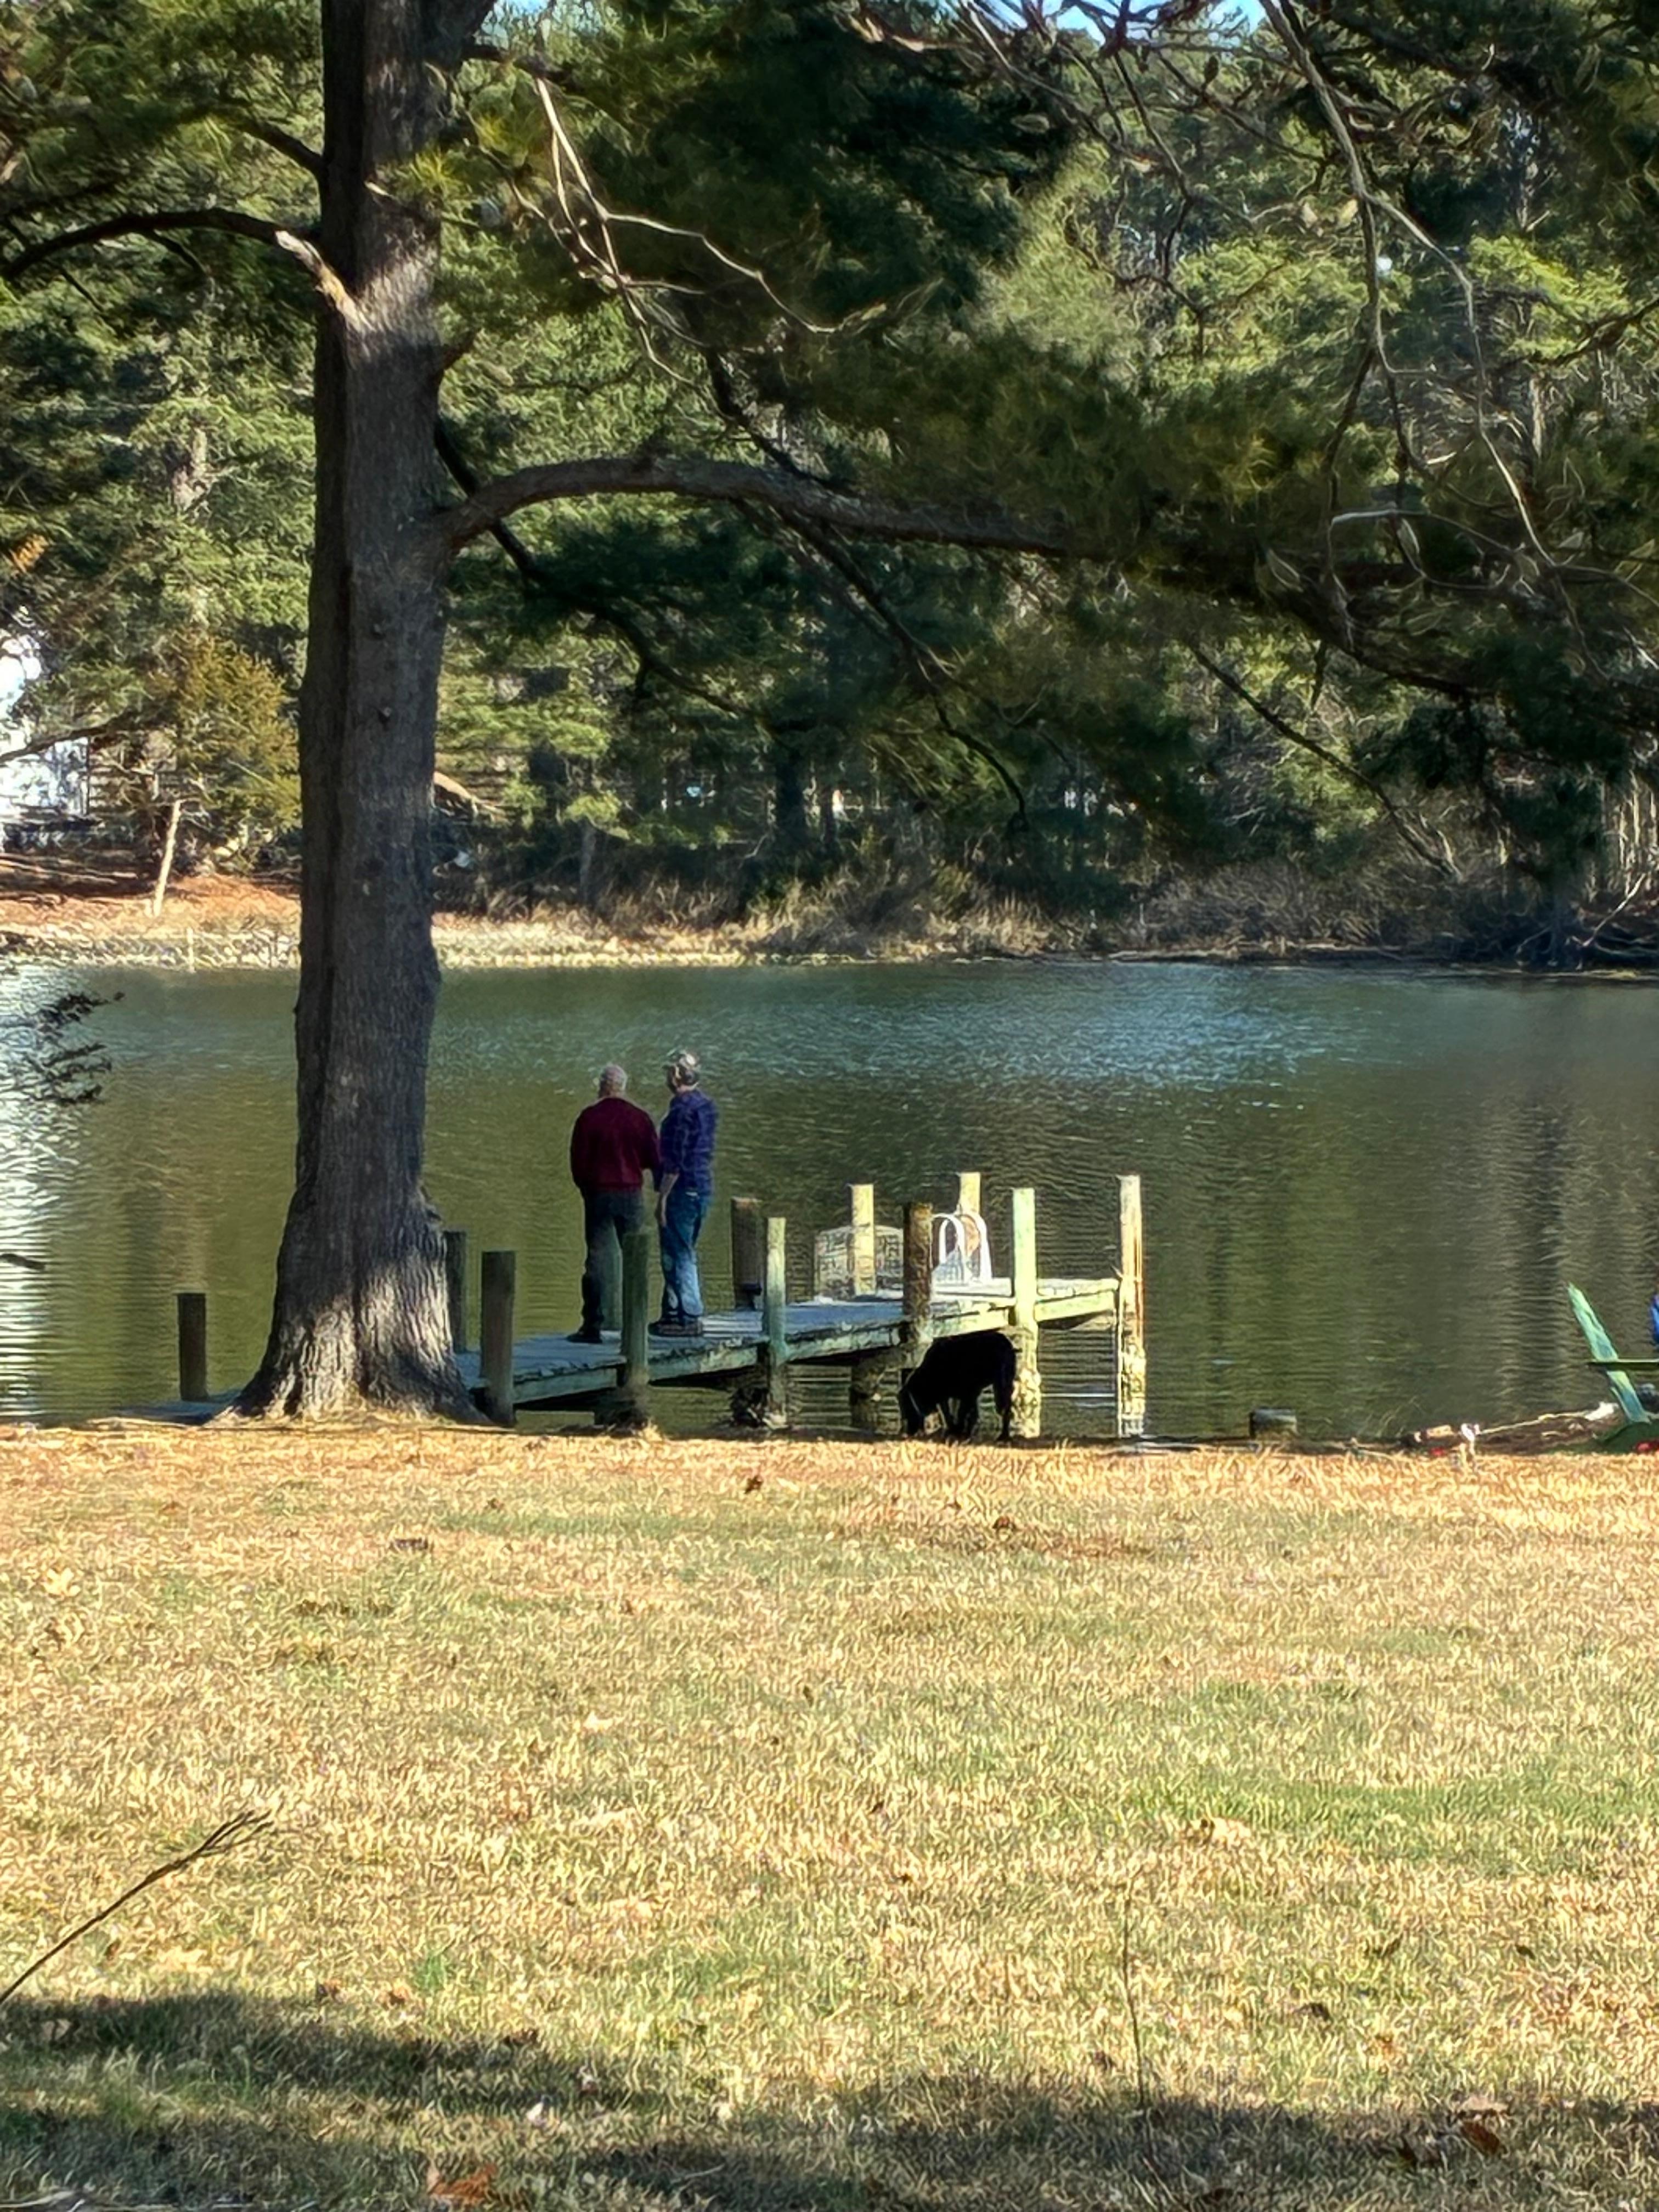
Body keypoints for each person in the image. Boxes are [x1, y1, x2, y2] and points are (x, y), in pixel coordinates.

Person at [567, 1064, 660, 1343]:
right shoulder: (639, 1118)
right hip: (630, 1193)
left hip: (597, 1194)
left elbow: (578, 1161)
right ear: (623, 1086)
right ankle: (635, 1326)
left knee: (597, 1259)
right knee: (635, 1258)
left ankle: (592, 1324)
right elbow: (654, 1159)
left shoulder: (589, 1118)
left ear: (602, 1086)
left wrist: (586, 1188)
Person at [652, 1048, 718, 1338]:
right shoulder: (707, 1106)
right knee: (680, 1249)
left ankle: (690, 1316)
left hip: (683, 1189)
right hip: (703, 1186)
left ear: (677, 1075)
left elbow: (676, 1159)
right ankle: (672, 1313)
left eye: (669, 1071)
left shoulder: (681, 1111)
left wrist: (663, 1197)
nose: (667, 1076)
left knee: (680, 1252)